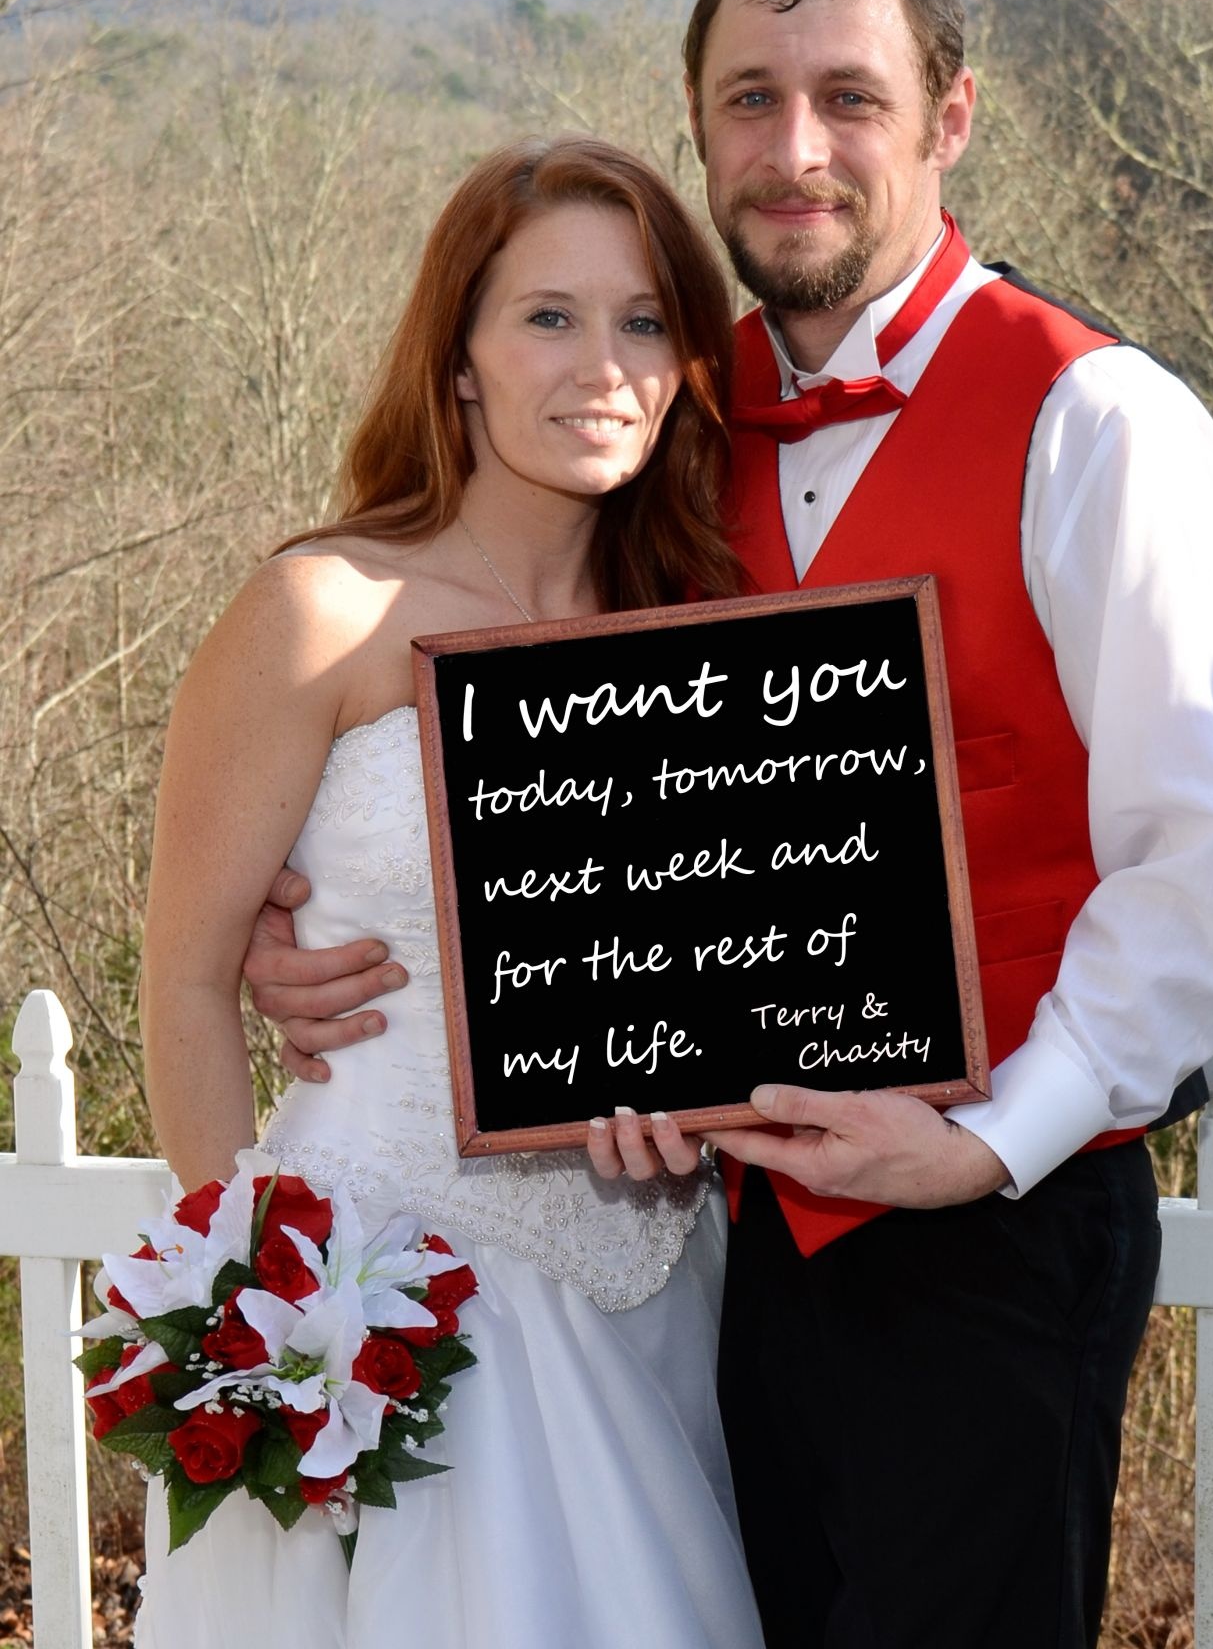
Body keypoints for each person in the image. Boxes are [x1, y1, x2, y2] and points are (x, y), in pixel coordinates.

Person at [248, 0, 1213, 1648]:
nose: (795, 148)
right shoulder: (665, 415)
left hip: (996, 1234)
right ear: (700, 126)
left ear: (950, 119)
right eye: (750, 98)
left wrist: (989, 1143)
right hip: (730, 1248)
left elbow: (1211, 876)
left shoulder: (1100, 423)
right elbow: (540, 743)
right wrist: (314, 918)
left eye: (848, 99)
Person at [135, 138, 767, 1649]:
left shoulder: (708, 631)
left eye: (642, 321)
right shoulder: (324, 611)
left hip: (671, 1291)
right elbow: (184, 980)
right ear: (461, 357)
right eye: (548, 316)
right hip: (401, 1308)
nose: (601, 365)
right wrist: (265, 1332)